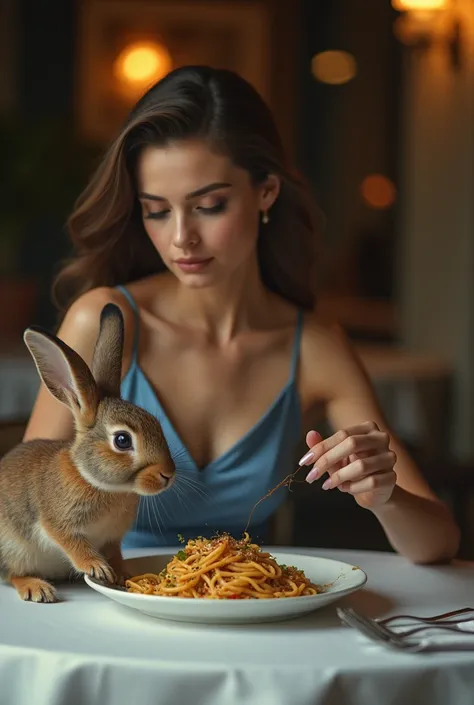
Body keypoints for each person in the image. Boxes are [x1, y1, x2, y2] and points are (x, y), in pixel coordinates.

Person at [24, 66, 459, 563]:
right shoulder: (103, 320)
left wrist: (385, 497)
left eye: (209, 205)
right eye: (157, 210)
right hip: (105, 600)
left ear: (267, 192)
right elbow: (22, 502)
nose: (181, 237)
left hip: (243, 604)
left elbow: (437, 544)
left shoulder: (315, 349)